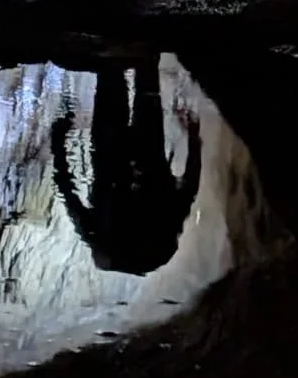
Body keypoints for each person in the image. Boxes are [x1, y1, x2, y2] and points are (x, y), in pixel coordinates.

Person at [50, 60, 202, 277]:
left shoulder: (156, 246)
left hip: (137, 154)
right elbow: (67, 192)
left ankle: (137, 49)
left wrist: (194, 140)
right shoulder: (105, 243)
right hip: (118, 157)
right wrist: (58, 143)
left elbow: (189, 189)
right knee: (113, 76)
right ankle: (121, 49)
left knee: (141, 81)